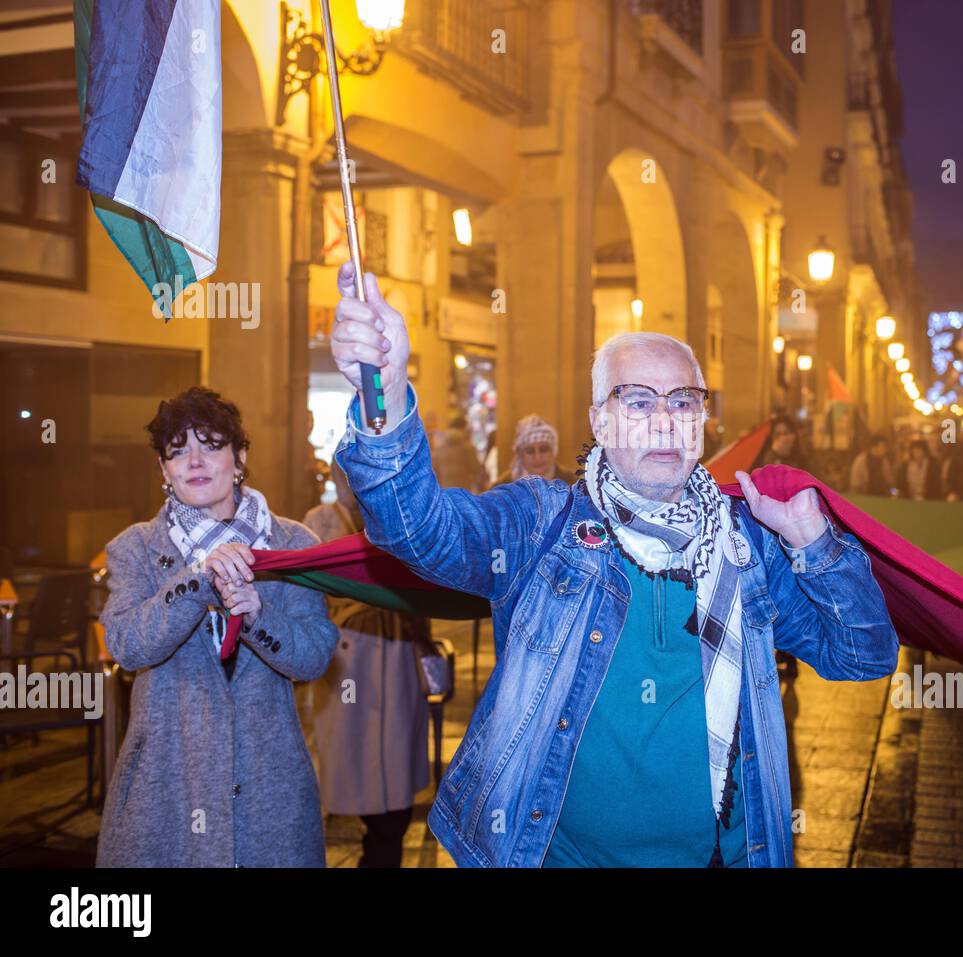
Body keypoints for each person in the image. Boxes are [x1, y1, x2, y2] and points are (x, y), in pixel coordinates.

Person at [328, 262, 899, 868]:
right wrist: (382, 396)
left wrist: (815, 545)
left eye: (683, 401)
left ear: (702, 422)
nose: (663, 421)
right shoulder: (542, 523)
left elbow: (862, 657)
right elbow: (419, 530)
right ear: (599, 420)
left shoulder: (748, 544)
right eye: (637, 401)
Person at [96, 387, 338, 867]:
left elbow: (314, 656)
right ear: (163, 470)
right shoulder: (137, 547)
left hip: (270, 790)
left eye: (210, 445)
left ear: (240, 456)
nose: (195, 461)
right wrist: (195, 581)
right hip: (166, 786)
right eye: (178, 451)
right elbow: (126, 644)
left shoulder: (292, 543)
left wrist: (256, 616)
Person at [303, 457, 430, 868]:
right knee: (358, 771)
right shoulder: (322, 520)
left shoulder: (399, 514)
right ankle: (376, 847)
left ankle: (381, 852)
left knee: (393, 778)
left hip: (396, 656)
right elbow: (314, 587)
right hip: (349, 661)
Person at [492, 413, 575, 488]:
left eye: (543, 449)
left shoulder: (572, 484)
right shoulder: (503, 488)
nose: (537, 457)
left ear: (553, 451)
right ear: (520, 454)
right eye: (530, 451)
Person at [432, 414, 485, 492]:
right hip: (464, 491)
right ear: (463, 428)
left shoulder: (439, 448)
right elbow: (476, 469)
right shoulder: (468, 447)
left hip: (445, 492)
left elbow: (434, 472)